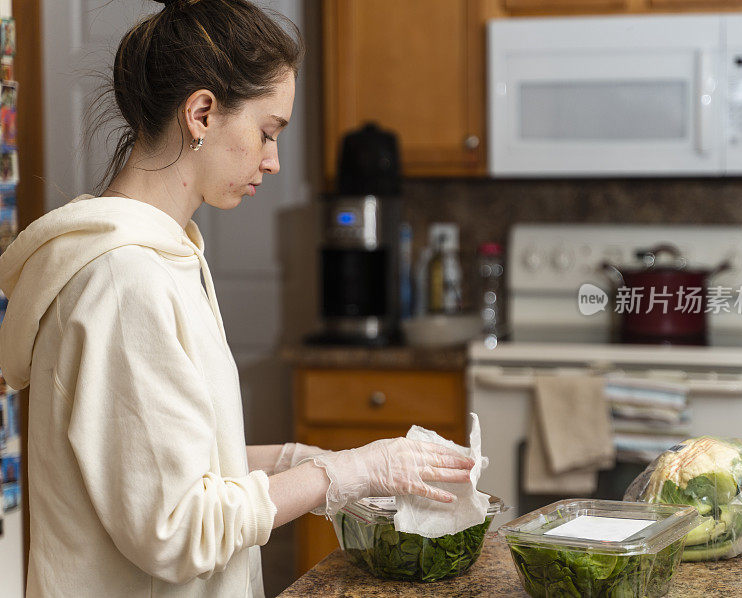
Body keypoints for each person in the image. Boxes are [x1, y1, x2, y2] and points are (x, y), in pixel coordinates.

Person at [0, 1, 474, 596]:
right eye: (266, 132)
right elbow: (179, 529)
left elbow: (168, 462)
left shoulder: (167, 257)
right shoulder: (125, 282)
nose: (273, 161)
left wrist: (301, 460)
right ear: (201, 114)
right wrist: (347, 472)